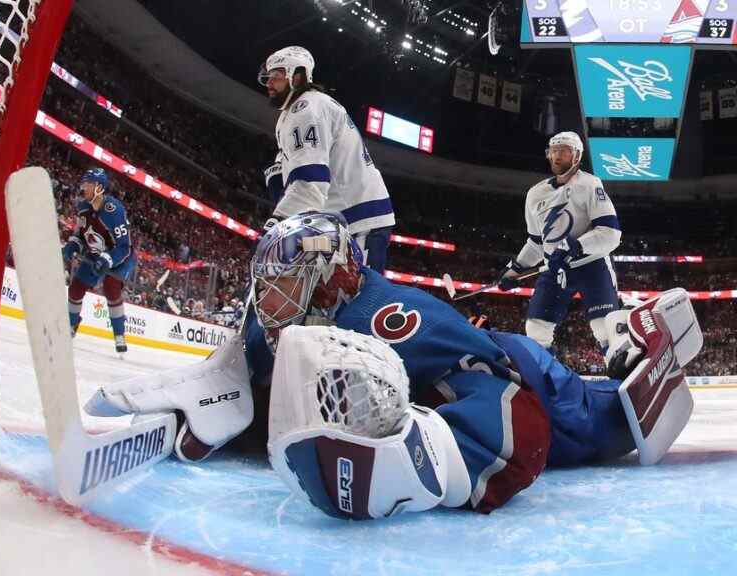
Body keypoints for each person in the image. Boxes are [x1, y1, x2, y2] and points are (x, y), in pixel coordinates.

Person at [86, 212, 701, 520]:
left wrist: (428, 455)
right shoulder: (290, 317)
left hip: (514, 369)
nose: (267, 298)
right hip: (479, 362)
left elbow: (518, 418)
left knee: (605, 428)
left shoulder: (388, 315)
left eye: (285, 279)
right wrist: (212, 396)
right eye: (265, 281)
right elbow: (251, 372)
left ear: (328, 276)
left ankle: (642, 350)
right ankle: (620, 356)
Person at [258, 46, 395, 272]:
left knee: (356, 297)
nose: (270, 83)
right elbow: (290, 171)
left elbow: (311, 179)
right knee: (319, 293)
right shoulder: (295, 112)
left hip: (357, 219)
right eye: (269, 76)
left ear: (298, 76)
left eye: (277, 75)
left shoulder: (306, 109)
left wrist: (279, 222)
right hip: (335, 221)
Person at [498, 131, 621, 362]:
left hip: (592, 265)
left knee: (606, 328)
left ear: (576, 156)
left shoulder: (590, 184)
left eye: (563, 151)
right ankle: (548, 383)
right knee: (536, 330)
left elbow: (611, 234)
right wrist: (514, 271)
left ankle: (622, 379)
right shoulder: (535, 194)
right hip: (555, 269)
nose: (556, 157)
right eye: (553, 151)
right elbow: (536, 243)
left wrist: (575, 246)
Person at [62, 167, 136, 353]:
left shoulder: (114, 209)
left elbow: (124, 246)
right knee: (76, 288)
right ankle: (71, 324)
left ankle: (119, 334)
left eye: (88, 184)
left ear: (99, 187)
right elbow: (81, 234)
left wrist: (107, 259)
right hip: (95, 254)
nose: (83, 187)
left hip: (120, 257)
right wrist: (73, 245)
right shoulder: (83, 207)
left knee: (111, 288)